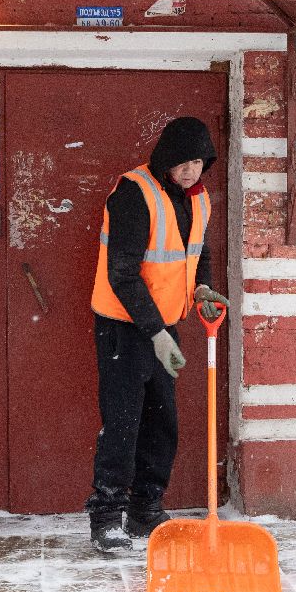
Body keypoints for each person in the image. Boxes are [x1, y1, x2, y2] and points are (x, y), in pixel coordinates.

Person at [87, 116, 230, 554]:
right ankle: (107, 517)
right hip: (124, 328)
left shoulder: (197, 200)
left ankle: (146, 510)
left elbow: (196, 254)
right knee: (124, 424)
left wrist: (202, 287)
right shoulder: (135, 194)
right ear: (165, 157)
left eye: (197, 162)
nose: (190, 171)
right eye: (182, 162)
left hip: (164, 327)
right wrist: (155, 333)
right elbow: (122, 274)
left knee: (162, 422)